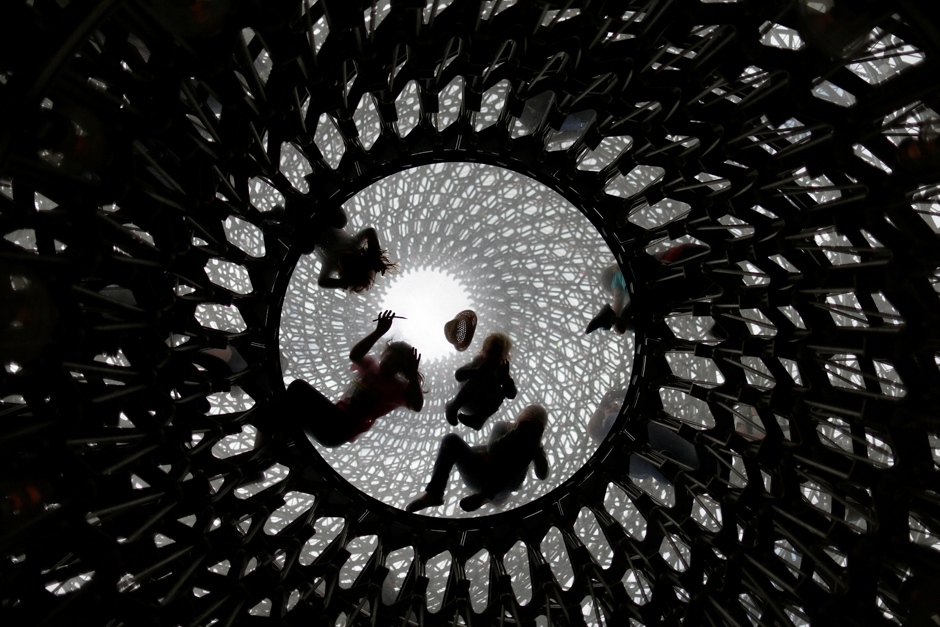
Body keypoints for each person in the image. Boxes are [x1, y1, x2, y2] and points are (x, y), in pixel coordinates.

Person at [285, 311, 424, 447]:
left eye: (397, 364)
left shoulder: (401, 388)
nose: (391, 364)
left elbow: (417, 406)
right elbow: (355, 356)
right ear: (383, 354)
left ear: (402, 369)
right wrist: (378, 332)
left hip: (343, 429)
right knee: (294, 398)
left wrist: (412, 376)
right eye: (389, 358)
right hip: (331, 418)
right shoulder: (370, 364)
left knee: (297, 389)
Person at [407, 405, 550, 513]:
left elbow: (542, 475)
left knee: (517, 459)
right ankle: (434, 493)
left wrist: (535, 444)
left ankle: (485, 495)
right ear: (522, 417)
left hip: (503, 485)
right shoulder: (503, 427)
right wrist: (517, 432)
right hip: (482, 473)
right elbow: (493, 450)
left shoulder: (535, 447)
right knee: (450, 440)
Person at [585, 243, 710, 334]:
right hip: (686, 262)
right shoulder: (635, 262)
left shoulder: (617, 279)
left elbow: (618, 299)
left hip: (654, 292)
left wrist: (618, 317)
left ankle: (609, 318)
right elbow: (661, 256)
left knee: (639, 322)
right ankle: (612, 319)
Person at [586, 389, 699, 485]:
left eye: (616, 405)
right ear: (602, 418)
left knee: (692, 470)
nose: (613, 407)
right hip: (642, 455)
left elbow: (644, 396)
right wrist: (602, 405)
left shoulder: (631, 414)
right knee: (616, 420)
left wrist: (625, 393)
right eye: (609, 407)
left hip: (657, 447)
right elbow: (592, 430)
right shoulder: (605, 434)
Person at [311, 205, 396, 293]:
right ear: (358, 254)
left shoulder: (331, 264)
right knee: (341, 221)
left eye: (348, 266)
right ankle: (325, 199)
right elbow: (370, 231)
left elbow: (322, 282)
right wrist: (375, 254)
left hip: (310, 230)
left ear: (342, 272)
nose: (347, 260)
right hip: (326, 215)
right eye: (353, 260)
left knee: (307, 248)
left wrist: (342, 283)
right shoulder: (353, 245)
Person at [445, 332, 517, 429]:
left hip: (479, 408)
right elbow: (458, 375)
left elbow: (511, 395)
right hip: (464, 401)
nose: (493, 357)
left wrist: (506, 379)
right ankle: (454, 405)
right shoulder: (478, 361)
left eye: (497, 355)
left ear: (504, 357)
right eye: (490, 352)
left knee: (500, 393)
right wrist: (477, 371)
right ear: (483, 351)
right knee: (480, 378)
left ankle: (478, 420)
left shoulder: (501, 372)